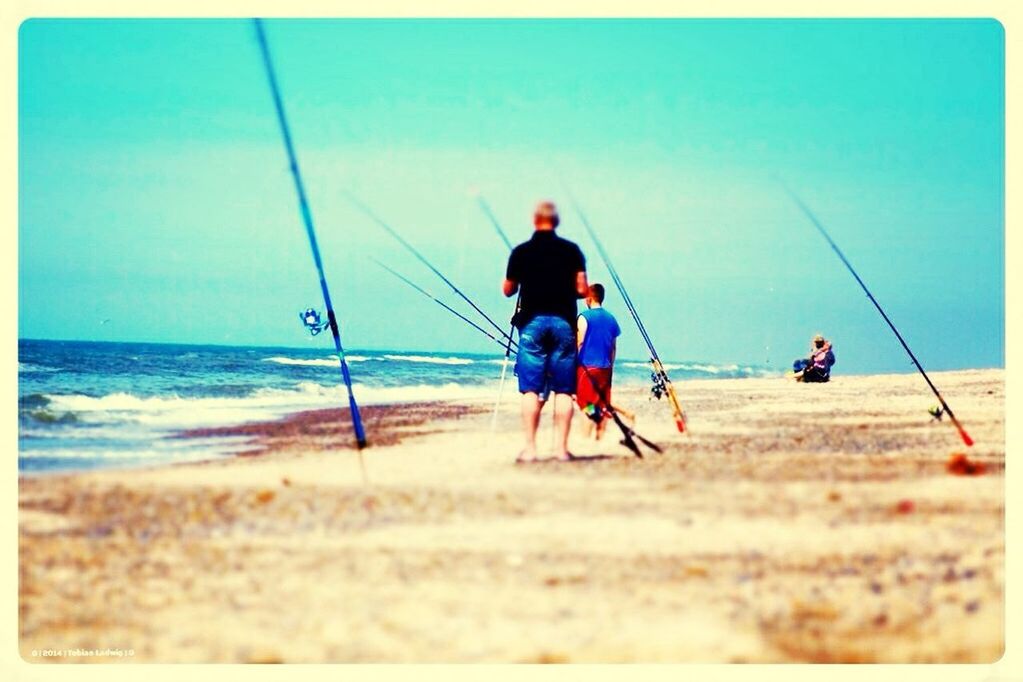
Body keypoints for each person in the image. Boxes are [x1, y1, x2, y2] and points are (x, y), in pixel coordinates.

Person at [503, 201, 588, 462]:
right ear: (556, 221)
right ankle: (561, 450)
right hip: (563, 321)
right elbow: (583, 290)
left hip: (532, 321)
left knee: (530, 389)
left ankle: (530, 449)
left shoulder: (521, 252)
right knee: (564, 390)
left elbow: (508, 290)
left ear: (534, 219)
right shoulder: (572, 250)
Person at [575, 283, 621, 439]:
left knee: (585, 403)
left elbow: (579, 342)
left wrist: (572, 362)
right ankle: (599, 437)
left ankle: (585, 436)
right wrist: (611, 366)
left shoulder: (584, 317)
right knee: (602, 403)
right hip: (606, 368)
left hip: (586, 367)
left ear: (589, 298)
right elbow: (613, 348)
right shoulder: (611, 319)